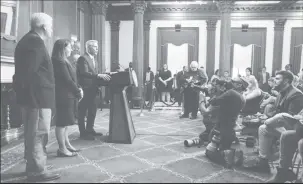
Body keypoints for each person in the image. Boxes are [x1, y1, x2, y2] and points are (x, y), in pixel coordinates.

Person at [13, 12, 60, 182]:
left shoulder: (29, 40)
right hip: (37, 98)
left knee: (34, 133)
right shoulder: (34, 42)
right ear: (44, 27)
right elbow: (29, 74)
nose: (52, 29)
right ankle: (37, 170)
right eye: (51, 26)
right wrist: (32, 99)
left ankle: (33, 166)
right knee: (38, 133)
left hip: (34, 97)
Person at [244, 70, 303, 174]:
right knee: (262, 128)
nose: (274, 81)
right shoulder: (281, 93)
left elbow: (290, 117)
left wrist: (268, 119)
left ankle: (267, 126)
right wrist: (266, 116)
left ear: (286, 81)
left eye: (277, 79)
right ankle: (263, 162)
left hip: (293, 130)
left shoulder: (297, 94)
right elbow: (277, 110)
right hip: (281, 125)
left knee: (275, 119)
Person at [52, 39, 82, 157]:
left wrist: (77, 89)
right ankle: (62, 148)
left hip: (68, 95)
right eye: (69, 47)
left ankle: (67, 145)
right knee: (61, 123)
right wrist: (78, 91)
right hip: (63, 96)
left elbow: (72, 78)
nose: (71, 49)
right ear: (63, 48)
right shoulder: (59, 62)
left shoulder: (64, 61)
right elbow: (67, 80)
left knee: (65, 123)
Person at [77, 40, 111, 140]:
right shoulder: (83, 59)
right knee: (83, 111)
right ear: (88, 48)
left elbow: (96, 74)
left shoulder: (94, 59)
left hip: (94, 89)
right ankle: (83, 133)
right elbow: (84, 73)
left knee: (92, 111)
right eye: (95, 47)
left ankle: (90, 129)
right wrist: (98, 75)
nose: (97, 49)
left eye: (97, 47)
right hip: (86, 89)